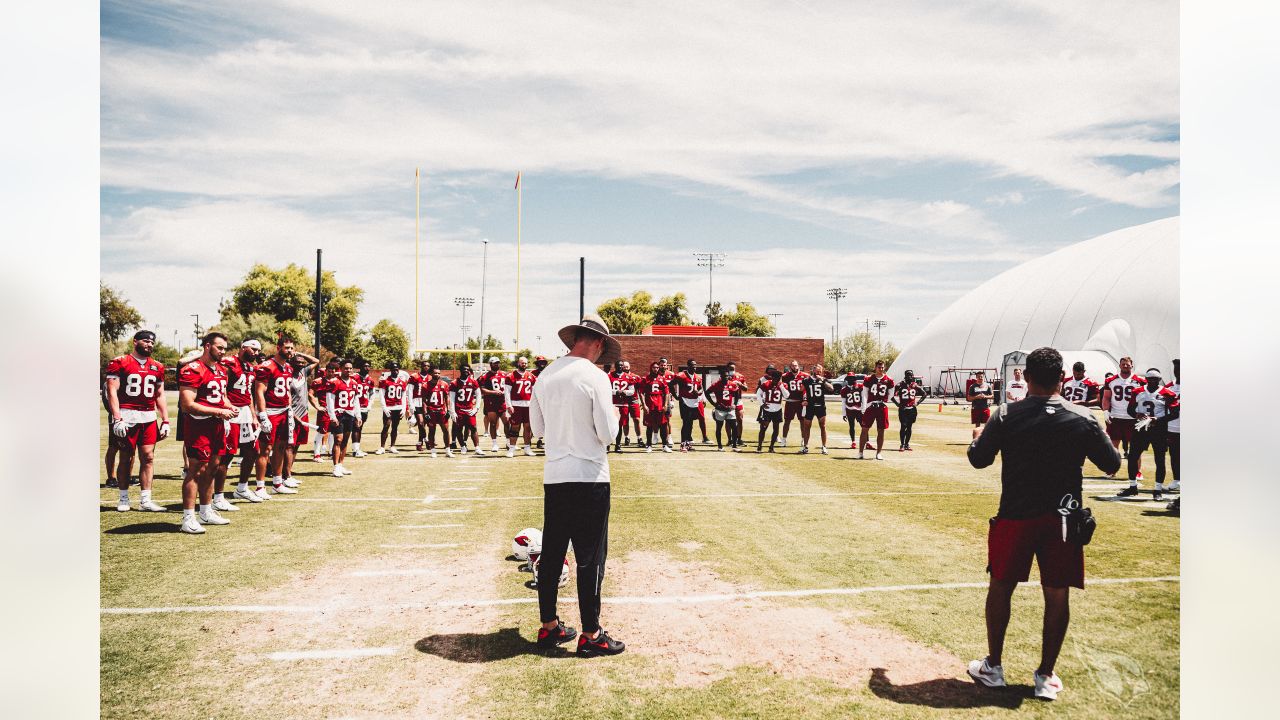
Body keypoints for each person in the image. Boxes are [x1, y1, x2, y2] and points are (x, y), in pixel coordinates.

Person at [966, 347, 1121, 701]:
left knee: (1001, 586)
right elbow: (1112, 464)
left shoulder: (1006, 415)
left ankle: (994, 666)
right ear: (1062, 377)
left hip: (1015, 514)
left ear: (1027, 377)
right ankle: (1046, 675)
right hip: (1063, 518)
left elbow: (979, 460)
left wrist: (975, 441)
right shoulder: (1081, 418)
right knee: (1056, 592)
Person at [528, 313, 625, 657]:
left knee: (553, 554)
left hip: (555, 475)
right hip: (589, 476)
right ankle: (591, 633)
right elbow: (609, 434)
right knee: (590, 557)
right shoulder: (595, 377)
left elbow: (537, 428)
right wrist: (614, 415)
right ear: (598, 343)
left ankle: (549, 626)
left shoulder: (545, 375)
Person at [176, 332, 240, 534]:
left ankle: (206, 511)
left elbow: (222, 397)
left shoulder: (221, 370)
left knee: (213, 468)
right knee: (195, 470)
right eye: (219, 347)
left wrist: (230, 407)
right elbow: (187, 405)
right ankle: (188, 517)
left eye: (224, 348)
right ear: (207, 346)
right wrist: (220, 411)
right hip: (198, 425)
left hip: (217, 425)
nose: (223, 352)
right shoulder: (193, 369)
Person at [104, 330, 170, 512]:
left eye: (152, 342)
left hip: (148, 416)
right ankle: (123, 497)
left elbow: (160, 395)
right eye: (146, 341)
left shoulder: (157, 366)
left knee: (148, 457)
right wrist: (117, 418)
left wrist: (165, 420)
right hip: (127, 414)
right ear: (135, 342)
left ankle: (145, 500)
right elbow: (112, 392)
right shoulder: (120, 362)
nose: (149, 344)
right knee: (126, 457)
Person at [253, 337, 301, 499]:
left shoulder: (288, 367)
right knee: (265, 449)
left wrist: (290, 412)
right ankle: (260, 487)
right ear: (278, 347)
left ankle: (277, 483)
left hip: (284, 412)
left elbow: (287, 393)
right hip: (271, 412)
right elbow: (259, 392)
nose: (290, 351)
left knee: (281, 447)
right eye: (287, 348)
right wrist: (262, 414)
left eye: (292, 348)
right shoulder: (267, 366)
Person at [218, 338, 264, 507]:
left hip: (245, 412)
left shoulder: (250, 368)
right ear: (243, 347)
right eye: (254, 349)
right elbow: (221, 389)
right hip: (231, 412)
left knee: (253, 450)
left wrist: (253, 415)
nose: (256, 353)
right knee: (227, 455)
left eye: (258, 350)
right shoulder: (230, 363)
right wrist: (227, 407)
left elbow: (248, 395)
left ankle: (242, 488)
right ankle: (218, 496)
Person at [1122, 368, 1169, 500]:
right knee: (1132, 457)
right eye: (1150, 379)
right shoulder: (1138, 391)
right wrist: (1137, 414)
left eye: (1155, 379)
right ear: (1146, 379)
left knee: (1159, 460)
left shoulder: (1167, 393)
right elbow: (1130, 409)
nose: (1152, 381)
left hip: (1158, 429)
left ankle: (1158, 489)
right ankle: (1132, 487)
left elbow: (1175, 412)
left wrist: (1158, 420)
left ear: (1159, 380)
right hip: (1141, 428)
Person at [1101, 357, 1145, 484]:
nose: (1125, 366)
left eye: (1128, 364)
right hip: (1116, 416)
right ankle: (1112, 470)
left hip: (1133, 418)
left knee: (1135, 447)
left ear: (1132, 365)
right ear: (1119, 365)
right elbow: (1107, 397)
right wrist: (1105, 411)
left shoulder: (1140, 381)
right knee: (1113, 446)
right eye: (1123, 364)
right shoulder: (1111, 380)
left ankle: (1137, 471)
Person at [281, 351, 320, 490]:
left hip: (304, 413)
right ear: (292, 362)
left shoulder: (304, 371)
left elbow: (316, 361)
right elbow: (286, 399)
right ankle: (285, 476)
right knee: (289, 446)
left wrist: (299, 353)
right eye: (297, 362)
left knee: (296, 445)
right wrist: (294, 417)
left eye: (302, 363)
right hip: (292, 414)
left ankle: (288, 473)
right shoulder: (287, 375)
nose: (300, 364)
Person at [326, 359, 362, 476]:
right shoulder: (334, 382)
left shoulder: (354, 383)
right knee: (338, 440)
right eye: (346, 368)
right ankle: (336, 466)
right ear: (340, 369)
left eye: (350, 368)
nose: (349, 370)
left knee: (345, 441)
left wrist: (358, 415)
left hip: (350, 413)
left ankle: (341, 465)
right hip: (338, 413)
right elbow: (329, 399)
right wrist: (332, 416)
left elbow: (356, 400)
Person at [859, 361, 895, 460]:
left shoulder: (889, 380)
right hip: (871, 406)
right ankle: (860, 452)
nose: (881, 369)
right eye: (879, 367)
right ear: (875, 367)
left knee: (881, 430)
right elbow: (865, 393)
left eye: (882, 367)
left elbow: (891, 393)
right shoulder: (868, 379)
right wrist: (865, 406)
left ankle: (878, 453)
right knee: (864, 429)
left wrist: (885, 401)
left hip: (882, 406)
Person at [1159, 359, 1181, 512]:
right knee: (1174, 454)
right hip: (1173, 426)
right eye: (1176, 368)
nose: (1178, 371)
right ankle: (1177, 479)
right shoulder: (1169, 387)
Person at [798, 364, 833, 454]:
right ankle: (805, 446)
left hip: (821, 406)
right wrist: (804, 400)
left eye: (820, 371)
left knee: (823, 426)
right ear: (813, 371)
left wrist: (823, 381)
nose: (819, 373)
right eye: (817, 371)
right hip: (810, 406)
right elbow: (801, 391)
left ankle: (824, 447)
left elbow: (831, 389)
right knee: (807, 427)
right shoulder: (807, 380)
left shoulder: (823, 380)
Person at [705, 369, 744, 451]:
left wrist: (735, 404)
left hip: (730, 409)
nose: (726, 377)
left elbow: (737, 394)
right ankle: (719, 446)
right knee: (719, 427)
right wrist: (714, 404)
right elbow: (707, 392)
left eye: (727, 376)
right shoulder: (716, 384)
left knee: (734, 427)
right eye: (724, 376)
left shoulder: (732, 384)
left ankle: (734, 446)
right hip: (720, 409)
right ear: (721, 376)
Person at [671, 359, 705, 452]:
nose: (694, 367)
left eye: (695, 365)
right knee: (686, 423)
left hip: (694, 402)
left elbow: (701, 388)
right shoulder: (681, 375)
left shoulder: (697, 377)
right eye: (692, 365)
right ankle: (683, 444)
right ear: (688, 366)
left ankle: (688, 443)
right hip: (685, 401)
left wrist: (698, 392)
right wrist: (676, 396)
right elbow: (671, 384)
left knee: (690, 424)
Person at [506, 357, 537, 457]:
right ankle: (511, 449)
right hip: (516, 405)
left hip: (528, 405)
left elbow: (535, 391)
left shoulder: (531, 376)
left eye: (525, 363)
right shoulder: (511, 376)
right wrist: (509, 405)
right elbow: (507, 392)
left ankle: (527, 448)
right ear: (518, 363)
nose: (524, 364)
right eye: (522, 363)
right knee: (515, 427)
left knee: (527, 427)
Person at [376, 361, 409, 454]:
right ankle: (382, 447)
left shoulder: (402, 382)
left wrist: (403, 408)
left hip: (398, 407)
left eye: (397, 369)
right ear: (390, 370)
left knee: (395, 427)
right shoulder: (385, 381)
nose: (396, 371)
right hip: (389, 407)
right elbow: (381, 395)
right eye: (394, 369)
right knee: (386, 426)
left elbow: (403, 396)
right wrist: (384, 407)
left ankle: (392, 446)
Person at [422, 365, 454, 458]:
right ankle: (433, 450)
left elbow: (446, 398)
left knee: (446, 430)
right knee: (432, 431)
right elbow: (424, 400)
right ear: (431, 373)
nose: (437, 374)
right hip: (431, 410)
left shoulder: (444, 384)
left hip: (441, 410)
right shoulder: (425, 385)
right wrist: (425, 413)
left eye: (439, 373)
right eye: (435, 373)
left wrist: (448, 410)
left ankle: (447, 450)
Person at [641, 361, 673, 452]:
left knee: (663, 425)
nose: (656, 369)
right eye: (654, 367)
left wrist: (666, 404)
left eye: (657, 368)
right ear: (651, 368)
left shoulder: (662, 379)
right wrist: (644, 405)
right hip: (650, 404)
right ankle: (649, 445)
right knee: (649, 425)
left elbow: (667, 393)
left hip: (659, 403)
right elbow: (641, 393)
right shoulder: (645, 379)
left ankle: (664, 445)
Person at [479, 357, 509, 453]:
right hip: (491, 402)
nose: (497, 365)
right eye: (495, 363)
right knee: (493, 423)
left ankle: (509, 442)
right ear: (490, 364)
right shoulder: (485, 376)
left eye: (498, 363)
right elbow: (482, 390)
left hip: (503, 402)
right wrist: (494, 392)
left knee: (507, 423)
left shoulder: (504, 374)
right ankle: (494, 444)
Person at [608, 361, 640, 452]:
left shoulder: (628, 377)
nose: (620, 367)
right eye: (618, 365)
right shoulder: (610, 376)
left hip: (623, 404)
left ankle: (618, 445)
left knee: (620, 425)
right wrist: (616, 392)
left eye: (621, 365)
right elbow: (606, 389)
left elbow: (632, 391)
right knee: (610, 425)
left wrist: (624, 392)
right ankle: (607, 444)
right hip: (613, 404)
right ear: (615, 366)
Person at [451, 364, 482, 454]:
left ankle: (477, 448)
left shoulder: (473, 382)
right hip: (459, 409)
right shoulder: (454, 383)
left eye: (468, 369)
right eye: (464, 369)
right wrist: (453, 411)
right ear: (460, 370)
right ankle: (463, 446)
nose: (466, 371)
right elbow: (452, 398)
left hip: (469, 409)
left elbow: (479, 395)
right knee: (458, 429)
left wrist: (476, 407)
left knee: (473, 428)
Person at [756, 365, 787, 452]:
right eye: (774, 379)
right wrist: (762, 404)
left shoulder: (782, 385)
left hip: (777, 409)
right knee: (763, 428)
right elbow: (758, 394)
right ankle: (759, 445)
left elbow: (787, 395)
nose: (775, 381)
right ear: (772, 377)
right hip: (767, 409)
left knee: (776, 429)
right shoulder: (766, 384)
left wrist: (781, 386)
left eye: (777, 379)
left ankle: (771, 447)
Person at [779, 360, 809, 447]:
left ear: (798, 366)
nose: (794, 367)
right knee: (787, 421)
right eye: (792, 366)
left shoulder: (805, 376)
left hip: (801, 402)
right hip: (790, 401)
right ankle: (784, 439)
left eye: (795, 365)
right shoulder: (785, 376)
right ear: (790, 367)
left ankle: (803, 440)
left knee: (802, 421)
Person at [893, 369, 924, 452]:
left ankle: (907, 444)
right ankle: (902, 444)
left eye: (911, 375)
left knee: (909, 427)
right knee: (903, 426)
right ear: (905, 375)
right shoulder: (900, 385)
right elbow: (891, 395)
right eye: (908, 375)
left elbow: (924, 394)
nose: (909, 376)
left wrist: (917, 403)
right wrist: (897, 403)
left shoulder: (915, 385)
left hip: (912, 409)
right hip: (903, 409)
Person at [350, 360, 374, 457]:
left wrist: (369, 405)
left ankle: (357, 448)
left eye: (368, 366)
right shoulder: (354, 377)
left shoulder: (370, 380)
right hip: (354, 406)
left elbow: (372, 394)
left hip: (364, 407)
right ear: (360, 367)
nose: (367, 368)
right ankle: (355, 450)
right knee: (356, 427)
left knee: (359, 428)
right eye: (365, 366)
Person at [408, 360, 432, 451]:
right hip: (416, 401)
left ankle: (419, 442)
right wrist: (411, 404)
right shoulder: (414, 376)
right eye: (425, 365)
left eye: (428, 366)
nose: (426, 367)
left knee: (426, 423)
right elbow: (410, 391)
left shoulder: (430, 377)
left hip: (426, 402)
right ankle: (426, 440)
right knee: (421, 423)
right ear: (421, 366)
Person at [839, 371, 865, 450]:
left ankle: (867, 442)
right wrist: (844, 413)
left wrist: (864, 409)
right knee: (851, 426)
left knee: (864, 426)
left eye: (852, 378)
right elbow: (843, 402)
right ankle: (853, 441)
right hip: (849, 409)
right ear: (847, 379)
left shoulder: (860, 386)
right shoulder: (844, 389)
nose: (851, 379)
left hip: (859, 409)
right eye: (849, 378)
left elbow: (864, 398)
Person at [966, 371, 995, 441]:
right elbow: (969, 398)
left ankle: (986, 439)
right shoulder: (972, 386)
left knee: (987, 424)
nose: (980, 378)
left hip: (985, 407)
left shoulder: (987, 386)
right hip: (976, 408)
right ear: (976, 377)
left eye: (982, 376)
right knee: (977, 425)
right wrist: (977, 397)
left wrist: (985, 396)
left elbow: (992, 396)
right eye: (979, 377)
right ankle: (976, 440)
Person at [724, 362, 748, 448]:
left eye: (733, 368)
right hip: (729, 400)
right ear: (727, 369)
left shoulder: (740, 376)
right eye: (730, 368)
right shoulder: (725, 376)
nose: (732, 370)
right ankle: (729, 440)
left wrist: (740, 384)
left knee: (740, 419)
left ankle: (739, 439)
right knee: (728, 420)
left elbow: (746, 388)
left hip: (738, 400)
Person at [531, 355, 549, 449]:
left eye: (543, 362)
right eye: (540, 362)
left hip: (547, 399)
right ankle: (534, 440)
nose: (542, 364)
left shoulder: (549, 372)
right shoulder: (532, 373)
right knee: (535, 418)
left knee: (547, 420)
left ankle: (543, 441)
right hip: (535, 398)